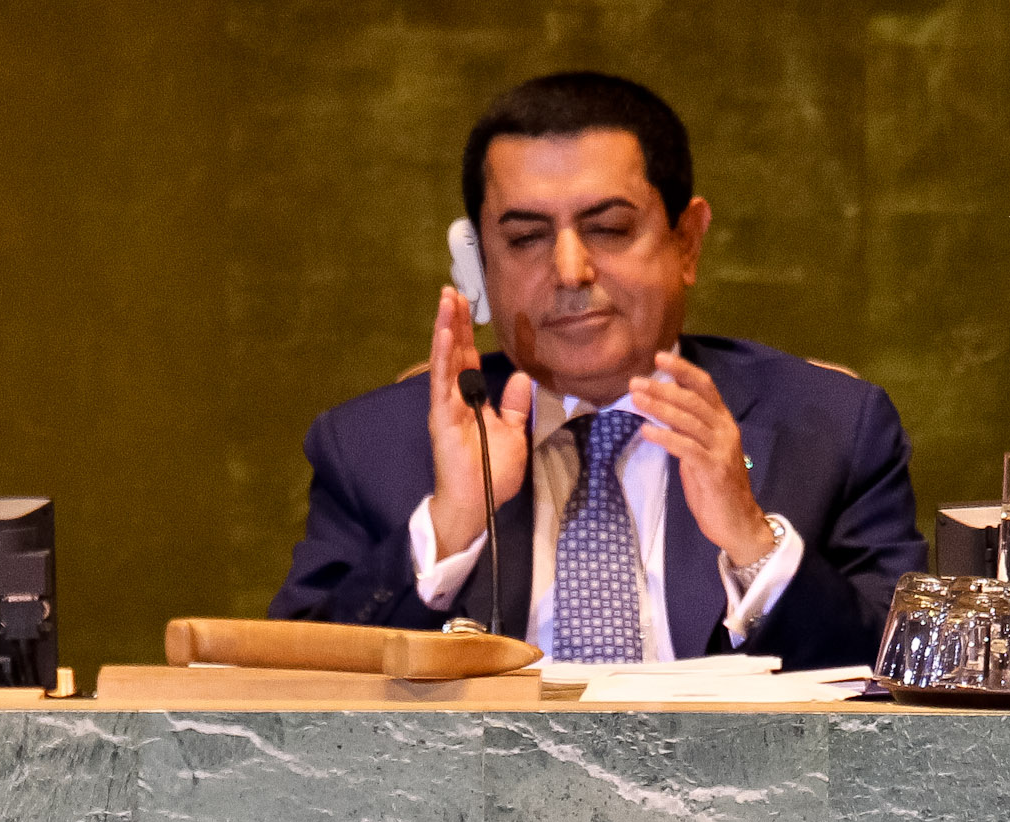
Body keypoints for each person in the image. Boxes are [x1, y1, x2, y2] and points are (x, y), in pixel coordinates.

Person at [269, 71, 921, 670]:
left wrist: (753, 543)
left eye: (608, 228)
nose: (570, 270)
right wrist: (448, 524)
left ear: (686, 242)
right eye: (525, 238)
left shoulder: (831, 430)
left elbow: (909, 679)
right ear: (480, 265)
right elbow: (294, 699)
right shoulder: (373, 447)